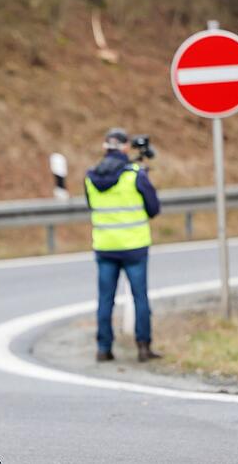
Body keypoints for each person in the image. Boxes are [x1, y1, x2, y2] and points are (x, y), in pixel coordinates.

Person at [84, 128, 161, 363]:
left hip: (105, 246)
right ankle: (143, 347)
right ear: (126, 147)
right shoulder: (135, 174)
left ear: (106, 147)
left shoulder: (90, 176)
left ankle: (103, 349)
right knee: (140, 297)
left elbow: (92, 206)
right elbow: (154, 208)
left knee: (105, 299)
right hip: (135, 247)